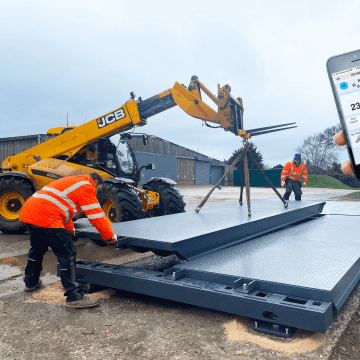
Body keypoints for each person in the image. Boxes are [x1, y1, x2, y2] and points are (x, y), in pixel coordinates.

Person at [20, 172, 117, 308]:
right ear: (95, 182)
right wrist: (109, 235)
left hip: (30, 212)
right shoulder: (86, 185)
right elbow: (95, 214)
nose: (96, 192)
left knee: (37, 249)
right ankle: (74, 297)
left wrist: (70, 227)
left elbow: (62, 208)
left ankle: (30, 282)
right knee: (67, 254)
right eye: (98, 189)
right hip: (47, 216)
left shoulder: (72, 181)